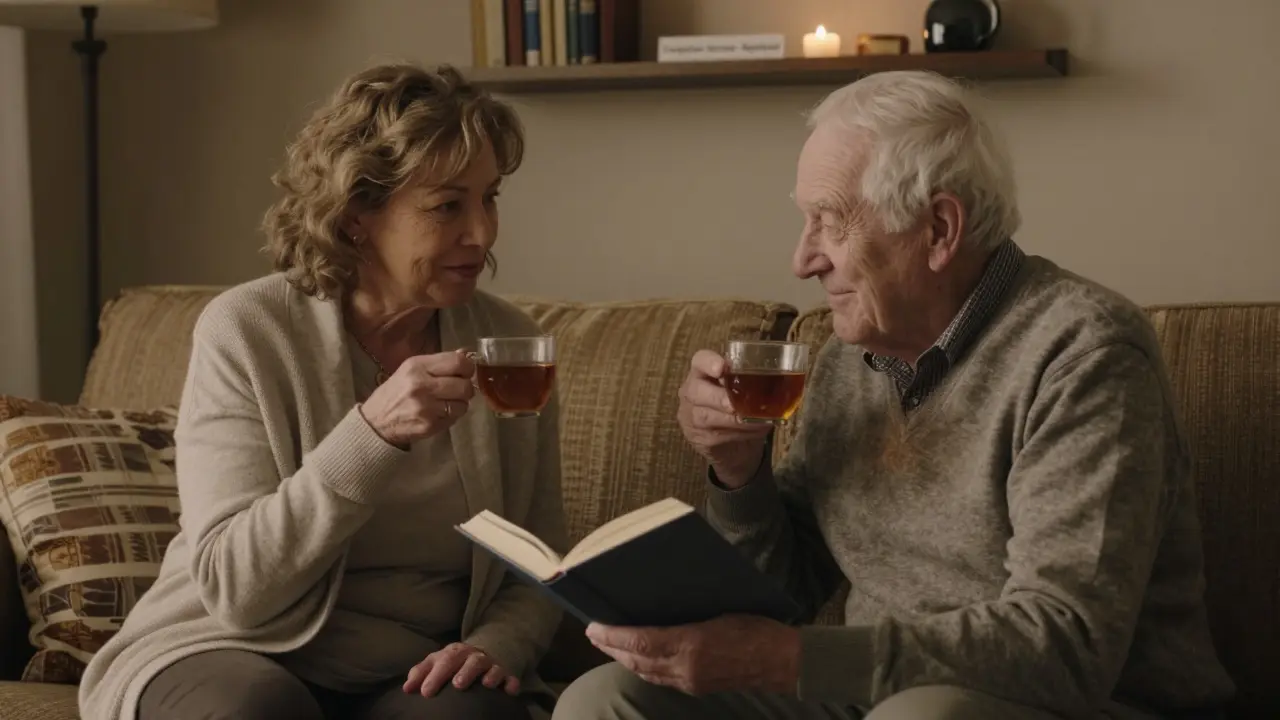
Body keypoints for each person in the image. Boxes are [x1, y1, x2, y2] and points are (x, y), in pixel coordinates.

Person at [554, 70, 1235, 720]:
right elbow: (786, 592)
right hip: (870, 693)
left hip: (1075, 705)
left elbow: (1068, 645)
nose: (803, 259)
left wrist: (788, 661)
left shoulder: (1083, 353)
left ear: (939, 230)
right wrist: (738, 471)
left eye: (830, 220)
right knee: (607, 701)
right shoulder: (852, 358)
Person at [77, 63, 567, 720]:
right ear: (359, 212)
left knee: (470, 713)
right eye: (449, 205)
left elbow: (540, 558)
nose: (481, 232)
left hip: (409, 669)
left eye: (490, 198)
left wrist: (498, 646)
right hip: (231, 646)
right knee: (257, 708)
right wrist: (371, 434)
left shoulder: (511, 345)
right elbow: (236, 589)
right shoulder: (249, 331)